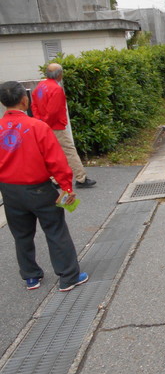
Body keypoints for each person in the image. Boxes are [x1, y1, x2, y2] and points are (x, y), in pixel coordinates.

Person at [0, 81, 88, 292]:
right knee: (55, 230)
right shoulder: (38, 126)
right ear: (24, 100)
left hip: (9, 190)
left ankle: (31, 277)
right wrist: (67, 186)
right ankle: (68, 276)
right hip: (38, 188)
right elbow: (55, 161)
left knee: (21, 234)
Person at [30, 63, 96, 188]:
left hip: (42, 125)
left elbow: (34, 105)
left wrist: (40, 121)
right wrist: (47, 122)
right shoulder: (56, 89)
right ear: (59, 75)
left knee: (50, 153)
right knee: (69, 150)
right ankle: (81, 178)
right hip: (55, 126)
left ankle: (55, 179)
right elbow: (53, 111)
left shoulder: (40, 86)